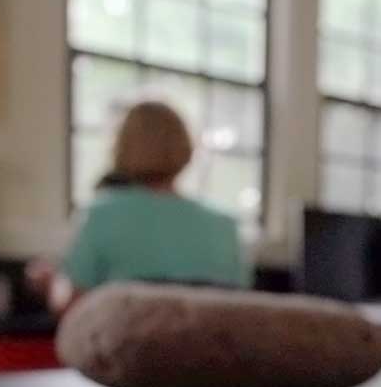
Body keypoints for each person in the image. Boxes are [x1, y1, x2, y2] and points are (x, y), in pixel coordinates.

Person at [35, 101, 246, 314]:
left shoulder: (101, 215)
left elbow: (74, 307)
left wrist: (50, 283)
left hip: (123, 347)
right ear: (185, 148)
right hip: (207, 347)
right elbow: (237, 309)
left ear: (121, 147)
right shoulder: (225, 227)